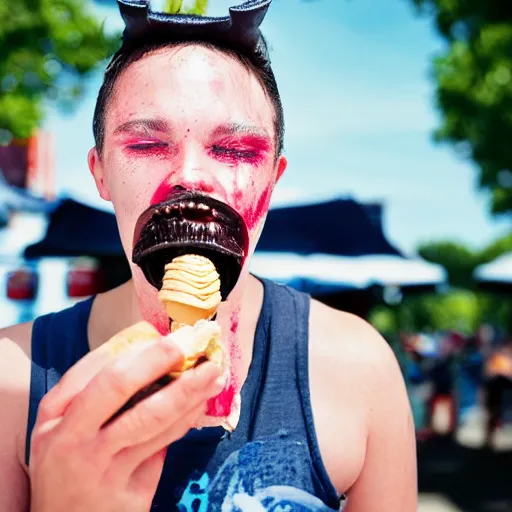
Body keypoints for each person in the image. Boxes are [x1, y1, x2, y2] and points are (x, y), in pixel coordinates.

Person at [0, 1, 417, 510]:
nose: (191, 177)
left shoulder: (360, 370)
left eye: (237, 150)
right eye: (148, 144)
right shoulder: (12, 382)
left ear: (273, 180)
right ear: (100, 173)